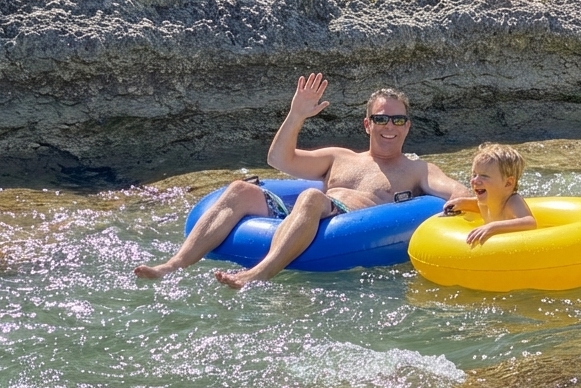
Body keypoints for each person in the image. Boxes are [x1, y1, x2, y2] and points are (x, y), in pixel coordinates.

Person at [134, 74, 468, 286]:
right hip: (304, 217)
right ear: (367, 124)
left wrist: (461, 206)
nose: (389, 126)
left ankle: (260, 272)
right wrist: (296, 115)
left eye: (398, 119)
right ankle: (173, 265)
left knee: (310, 197)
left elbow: (457, 191)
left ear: (408, 125)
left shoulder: (417, 170)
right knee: (239, 189)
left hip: (349, 224)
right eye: (380, 118)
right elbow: (278, 160)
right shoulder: (339, 157)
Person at [441, 143, 536, 246]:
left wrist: (493, 227)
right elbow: (477, 205)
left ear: (508, 183)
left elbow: (530, 223)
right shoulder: (484, 203)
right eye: (474, 175)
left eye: (484, 176)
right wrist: (461, 203)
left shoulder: (512, 202)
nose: (475, 180)